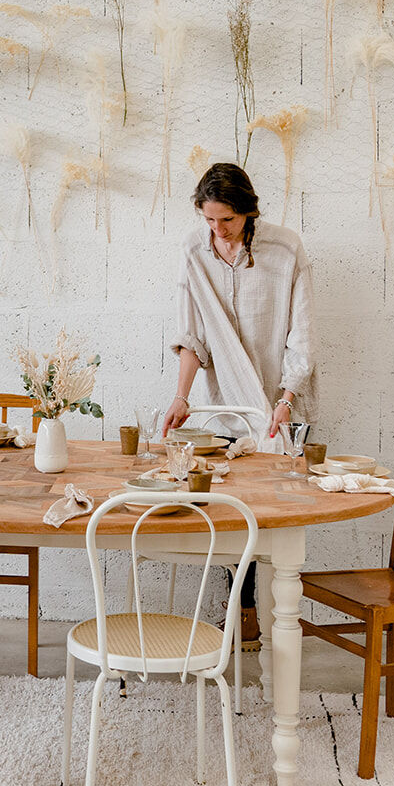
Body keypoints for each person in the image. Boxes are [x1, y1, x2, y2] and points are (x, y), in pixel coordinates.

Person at [162, 162, 318, 646]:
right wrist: (182, 396)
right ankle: (242, 607)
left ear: (248, 211)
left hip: (277, 399)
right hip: (222, 402)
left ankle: (273, 610)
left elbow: (303, 335)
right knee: (228, 507)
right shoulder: (194, 250)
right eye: (209, 220)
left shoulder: (285, 249)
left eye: (226, 220)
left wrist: (286, 398)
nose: (217, 231)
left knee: (272, 508)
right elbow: (193, 335)